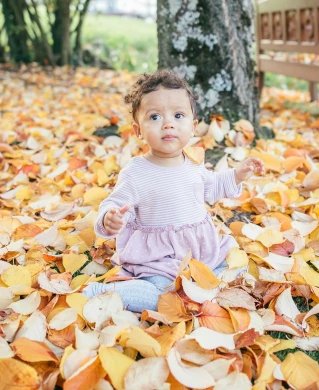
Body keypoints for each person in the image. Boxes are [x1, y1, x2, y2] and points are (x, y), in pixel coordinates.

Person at [83, 69, 265, 312]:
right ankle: (102, 293)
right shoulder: (136, 172)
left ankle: (206, 286)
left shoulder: (192, 163)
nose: (168, 123)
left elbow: (212, 187)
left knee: (237, 263)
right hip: (158, 259)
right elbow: (116, 203)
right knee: (164, 298)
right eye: (155, 117)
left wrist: (238, 174)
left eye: (178, 115)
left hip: (201, 251)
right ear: (138, 131)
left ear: (193, 126)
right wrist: (111, 218)